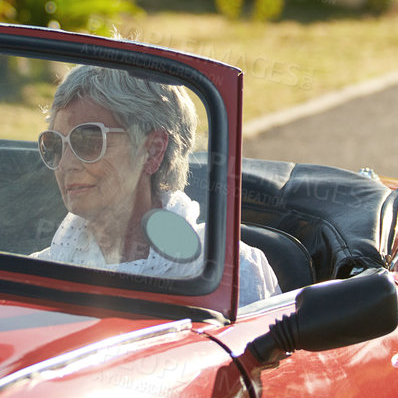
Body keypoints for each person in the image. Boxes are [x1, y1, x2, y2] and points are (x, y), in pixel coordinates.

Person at [33, 65, 280, 306]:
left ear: (152, 150)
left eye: (87, 140)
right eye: (54, 144)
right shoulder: (37, 272)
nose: (64, 164)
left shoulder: (229, 271)